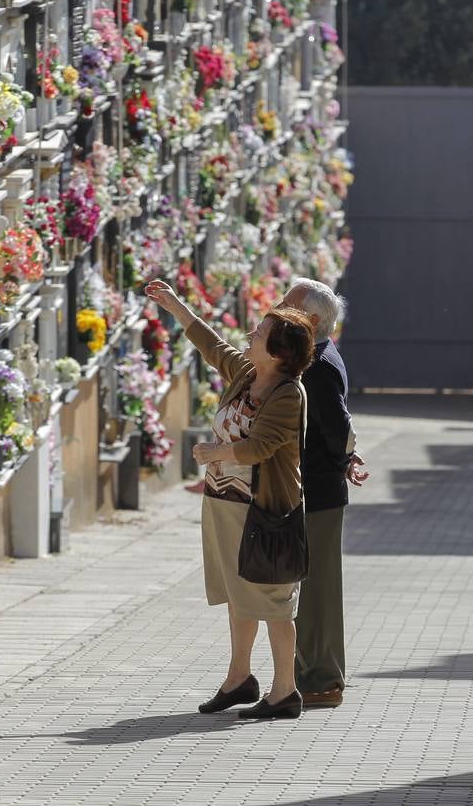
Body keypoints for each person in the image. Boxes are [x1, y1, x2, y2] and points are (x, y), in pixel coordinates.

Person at [146, 277, 316, 720]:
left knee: (273, 601)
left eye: (259, 334)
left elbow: (260, 446)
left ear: (279, 352)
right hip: (224, 503)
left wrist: (212, 452)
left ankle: (284, 692)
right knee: (241, 597)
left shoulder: (287, 394)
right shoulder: (247, 374)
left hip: (264, 512)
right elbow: (213, 344)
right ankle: (239, 678)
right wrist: (176, 305)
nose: (250, 335)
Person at [280, 279, 368, 709]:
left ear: (311, 320)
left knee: (317, 591)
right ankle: (310, 674)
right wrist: (348, 457)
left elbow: (337, 426)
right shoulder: (314, 356)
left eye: (287, 304)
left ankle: (322, 679)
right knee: (308, 587)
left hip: (317, 491)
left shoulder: (317, 364)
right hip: (314, 486)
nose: (277, 308)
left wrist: (346, 456)